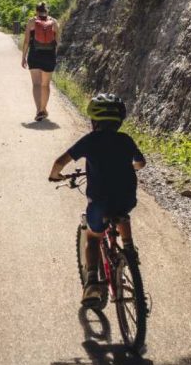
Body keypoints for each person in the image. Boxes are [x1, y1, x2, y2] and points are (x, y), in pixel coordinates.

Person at [47, 93, 146, 307]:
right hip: (126, 198)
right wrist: (131, 166)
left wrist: (55, 175)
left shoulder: (90, 141)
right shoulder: (125, 140)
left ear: (94, 121)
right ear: (119, 121)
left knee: (93, 237)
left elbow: (60, 162)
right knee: (122, 214)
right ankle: (128, 249)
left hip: (100, 203)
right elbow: (140, 162)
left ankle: (91, 283)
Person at [21, 1, 59, 122]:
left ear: (36, 11)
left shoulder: (31, 22)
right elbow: (57, 42)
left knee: (36, 84)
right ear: (47, 11)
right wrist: (54, 56)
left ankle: (38, 110)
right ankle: (43, 109)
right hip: (49, 57)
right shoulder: (54, 22)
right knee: (45, 84)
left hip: (34, 55)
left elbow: (26, 41)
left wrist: (23, 56)